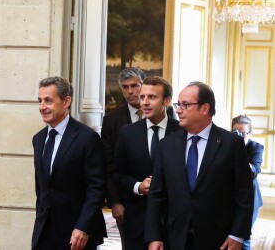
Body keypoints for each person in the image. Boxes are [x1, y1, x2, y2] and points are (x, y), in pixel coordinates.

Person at [145, 81, 254, 250]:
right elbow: (157, 194)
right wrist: (154, 236)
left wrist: (237, 235)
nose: (178, 110)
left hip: (219, 239)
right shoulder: (167, 145)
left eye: (185, 105)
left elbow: (244, 194)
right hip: (175, 237)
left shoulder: (231, 144)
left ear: (205, 108)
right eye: (178, 104)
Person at [31, 76, 107, 250]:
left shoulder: (87, 138)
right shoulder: (38, 139)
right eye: (40, 101)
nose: (42, 107)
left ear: (66, 101)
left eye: (49, 101)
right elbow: (42, 188)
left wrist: (83, 227)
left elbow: (96, 188)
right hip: (44, 232)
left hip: (77, 234)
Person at [113, 76, 181, 250]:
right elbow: (117, 174)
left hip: (175, 223)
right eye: (142, 97)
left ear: (166, 100)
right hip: (138, 223)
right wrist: (137, 186)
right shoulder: (127, 133)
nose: (145, 102)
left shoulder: (182, 131)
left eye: (152, 97)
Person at [101, 67, 146, 248]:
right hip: (126, 200)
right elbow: (108, 163)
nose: (130, 91)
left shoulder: (165, 116)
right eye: (125, 87)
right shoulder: (112, 120)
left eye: (134, 86)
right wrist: (115, 202)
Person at [232, 114, 264, 250]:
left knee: (243, 236)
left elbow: (253, 172)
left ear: (250, 133)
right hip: (230, 197)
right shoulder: (227, 145)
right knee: (229, 234)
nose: (239, 136)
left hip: (250, 199)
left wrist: (240, 149)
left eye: (243, 133)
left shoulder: (256, 147)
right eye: (236, 132)